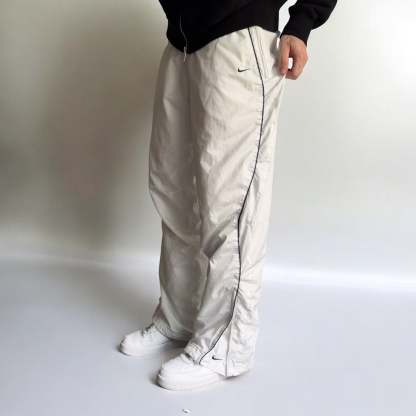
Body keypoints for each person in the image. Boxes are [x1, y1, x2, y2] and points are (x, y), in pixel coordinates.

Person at [120, 0, 337, 391]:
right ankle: (180, 317)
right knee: (173, 191)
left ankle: (224, 345)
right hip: (182, 44)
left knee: (231, 205)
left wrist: (302, 22)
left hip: (238, 38)